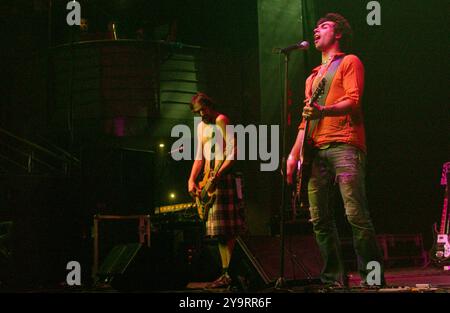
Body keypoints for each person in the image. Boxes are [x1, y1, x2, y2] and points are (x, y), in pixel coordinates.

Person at [286, 13, 385, 288]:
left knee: (355, 214)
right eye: (316, 27)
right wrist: (293, 155)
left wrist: (324, 111)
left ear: (338, 33)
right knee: (319, 219)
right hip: (315, 151)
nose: (317, 30)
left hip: (345, 144)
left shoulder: (349, 61)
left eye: (324, 26)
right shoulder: (312, 77)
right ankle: (333, 279)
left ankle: (372, 277)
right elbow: (306, 120)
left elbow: (353, 100)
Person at [187, 92, 246, 288]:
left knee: (228, 230)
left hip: (223, 179)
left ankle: (232, 273)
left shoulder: (221, 120)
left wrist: (219, 173)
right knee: (219, 233)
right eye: (198, 112)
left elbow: (234, 151)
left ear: (210, 105)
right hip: (208, 182)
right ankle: (225, 273)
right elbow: (199, 156)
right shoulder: (201, 127)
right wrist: (191, 179)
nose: (201, 114)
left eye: (203, 109)